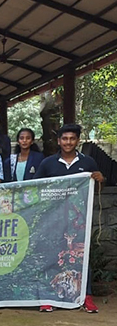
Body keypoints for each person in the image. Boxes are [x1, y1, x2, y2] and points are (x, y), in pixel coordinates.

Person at [34, 123, 105, 313]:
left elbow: (97, 189)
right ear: (59, 141)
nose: (68, 142)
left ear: (77, 141)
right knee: (52, 255)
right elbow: (36, 189)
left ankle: (85, 296)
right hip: (53, 220)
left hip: (79, 222)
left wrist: (100, 180)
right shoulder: (48, 163)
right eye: (64, 139)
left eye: (72, 138)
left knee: (82, 256)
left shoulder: (88, 162)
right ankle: (48, 296)